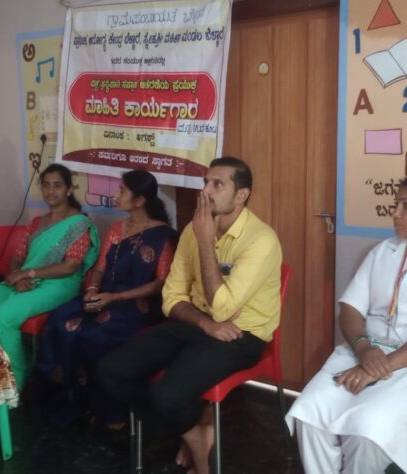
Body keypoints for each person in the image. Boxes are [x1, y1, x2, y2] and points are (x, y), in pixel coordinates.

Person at [285, 171, 407, 474]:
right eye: (396, 204)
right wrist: (363, 349)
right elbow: (350, 308)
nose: (395, 213)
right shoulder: (385, 250)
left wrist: (378, 367)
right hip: (369, 352)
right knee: (309, 413)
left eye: (406, 206)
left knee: (368, 431)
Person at [97, 157, 283, 474]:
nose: (206, 191)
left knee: (167, 394)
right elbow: (171, 297)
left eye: (217, 184)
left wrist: (206, 242)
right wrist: (204, 323)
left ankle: (188, 426)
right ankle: (195, 432)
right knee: (110, 370)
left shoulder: (261, 240)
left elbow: (223, 308)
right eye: (205, 182)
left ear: (242, 195)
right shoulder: (192, 231)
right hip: (197, 322)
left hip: (242, 335)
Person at [36, 169, 176, 430]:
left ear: (139, 200)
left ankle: (112, 411)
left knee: (94, 335)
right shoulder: (116, 229)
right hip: (104, 294)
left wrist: (115, 296)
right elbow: (100, 267)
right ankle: (75, 400)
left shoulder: (162, 235)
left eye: (122, 190)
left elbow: (159, 284)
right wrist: (92, 289)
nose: (116, 195)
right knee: (60, 321)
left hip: (137, 302)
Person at [0, 164, 99, 390]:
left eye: (57, 185)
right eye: (46, 185)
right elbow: (18, 256)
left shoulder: (79, 223)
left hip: (59, 284)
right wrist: (17, 276)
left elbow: (70, 266)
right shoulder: (36, 223)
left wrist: (29, 273)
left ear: (69, 189)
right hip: (25, 280)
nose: (51, 191)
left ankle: (11, 382)